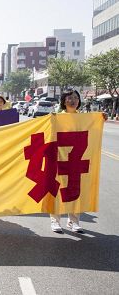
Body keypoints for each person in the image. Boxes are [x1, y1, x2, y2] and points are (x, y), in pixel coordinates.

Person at [49, 89, 107, 233]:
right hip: (60, 158)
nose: (73, 100)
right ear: (64, 101)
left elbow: (93, 130)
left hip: (76, 160)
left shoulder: (84, 118)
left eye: (76, 97)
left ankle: (73, 222)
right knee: (57, 190)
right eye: (69, 97)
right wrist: (50, 120)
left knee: (76, 190)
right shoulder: (56, 117)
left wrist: (102, 118)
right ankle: (55, 221)